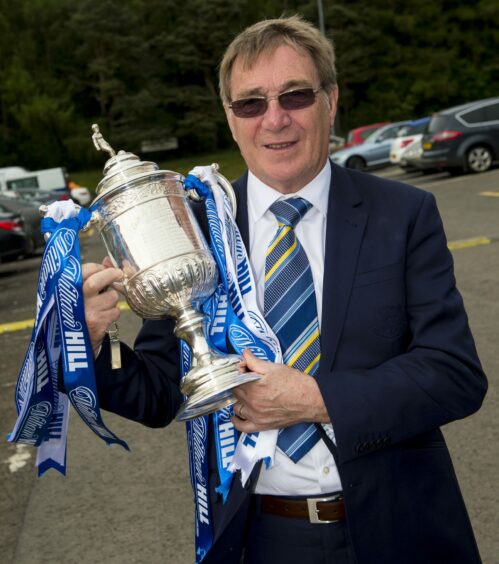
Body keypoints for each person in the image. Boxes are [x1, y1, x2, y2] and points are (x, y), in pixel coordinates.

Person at [82, 15, 487, 564]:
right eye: (250, 103)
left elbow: (454, 374)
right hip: (265, 538)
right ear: (231, 119)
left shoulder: (404, 213)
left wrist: (316, 401)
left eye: (295, 95)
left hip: (402, 525)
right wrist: (94, 342)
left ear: (331, 101)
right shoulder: (193, 227)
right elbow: (159, 393)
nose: (275, 119)